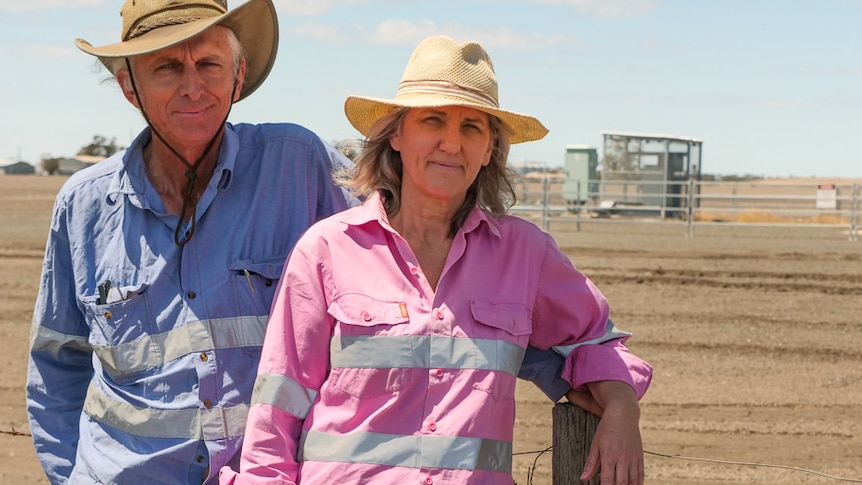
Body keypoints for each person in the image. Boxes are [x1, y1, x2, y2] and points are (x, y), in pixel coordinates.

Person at [24, 2, 587, 484]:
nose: (193, 85)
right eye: (167, 66)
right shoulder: (84, 205)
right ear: (129, 85)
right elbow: (57, 365)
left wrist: (591, 384)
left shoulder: (299, 164)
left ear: (239, 76)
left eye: (209, 64)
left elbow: (418, 278)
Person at [223, 35, 652, 485]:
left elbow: (597, 340)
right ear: (396, 134)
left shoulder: (526, 255)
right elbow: (277, 410)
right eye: (433, 120)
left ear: (489, 150)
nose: (451, 143)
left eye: (472, 127)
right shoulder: (327, 249)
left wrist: (622, 406)